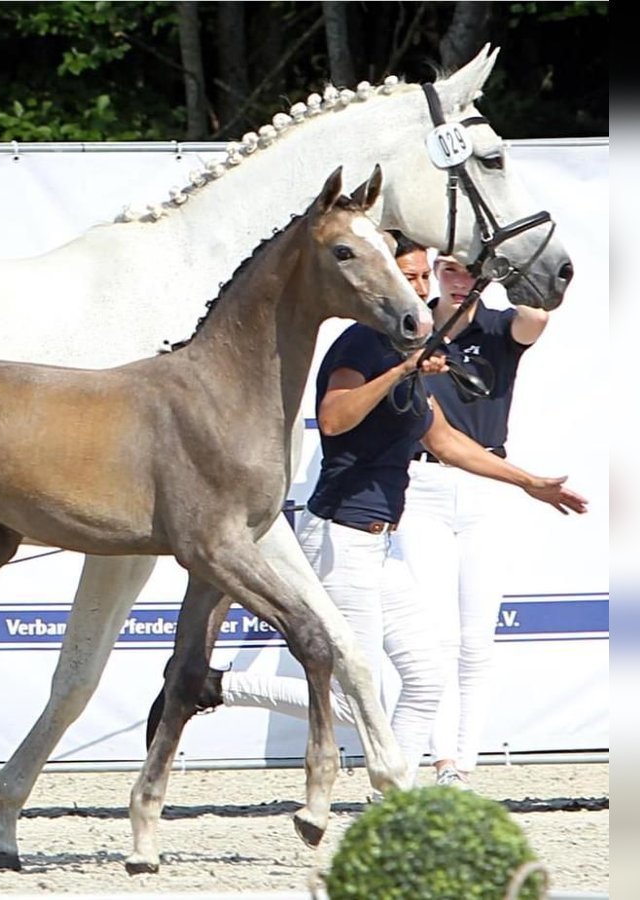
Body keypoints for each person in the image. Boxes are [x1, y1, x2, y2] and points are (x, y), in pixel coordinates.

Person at [146, 235, 587, 790]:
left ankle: (392, 803)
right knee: (356, 698)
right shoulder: (362, 344)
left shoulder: (410, 356)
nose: (421, 288)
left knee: (427, 678)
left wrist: (529, 483)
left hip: (381, 542)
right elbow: (334, 418)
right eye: (413, 278)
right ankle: (213, 686)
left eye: (426, 277)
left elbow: (448, 443)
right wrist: (403, 373)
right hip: (339, 534)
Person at [394, 254, 551, 791]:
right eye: (453, 270)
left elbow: (540, 317)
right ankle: (442, 762)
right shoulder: (411, 324)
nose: (462, 281)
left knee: (476, 636)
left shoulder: (498, 325)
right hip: (423, 483)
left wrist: (504, 269)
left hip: (488, 480)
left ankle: (466, 758)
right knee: (433, 632)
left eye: (472, 272)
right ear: (436, 271)